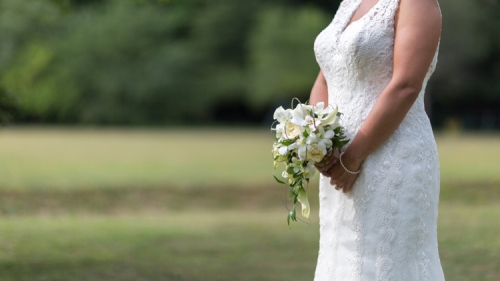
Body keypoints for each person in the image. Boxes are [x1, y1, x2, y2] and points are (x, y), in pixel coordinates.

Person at [309, 0, 445, 279]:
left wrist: (353, 157)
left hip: (391, 158)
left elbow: (406, 84)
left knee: (386, 263)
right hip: (338, 163)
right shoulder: (350, 3)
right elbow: (326, 78)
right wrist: (318, 141)